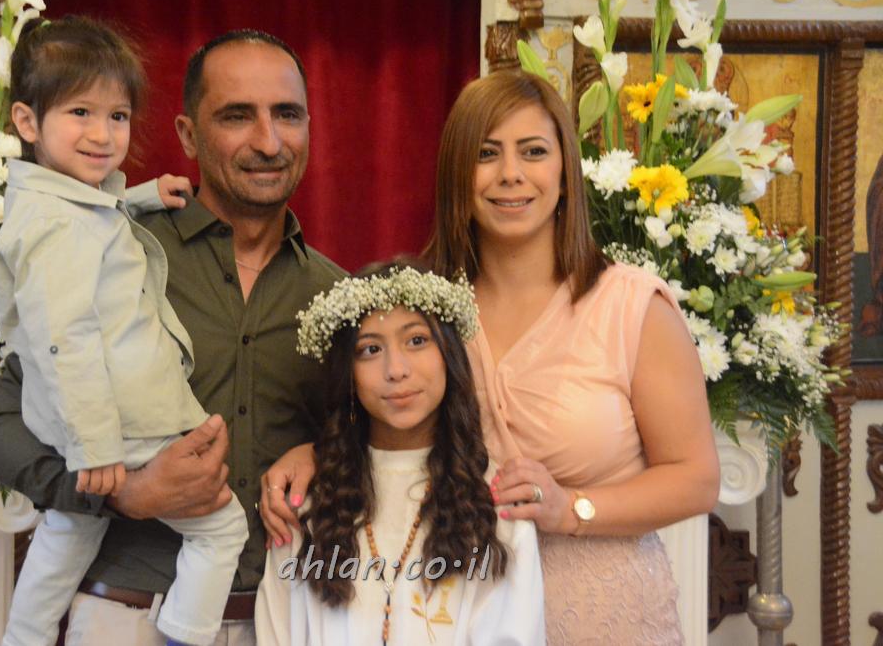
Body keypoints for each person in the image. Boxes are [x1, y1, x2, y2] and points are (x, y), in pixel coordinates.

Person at [262, 69, 720, 645]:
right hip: (453, 609)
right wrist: (315, 453)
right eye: (486, 153)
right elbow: (381, 412)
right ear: (459, 173)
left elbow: (696, 479)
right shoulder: (422, 308)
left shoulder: (631, 306)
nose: (510, 174)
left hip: (604, 615)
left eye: (533, 152)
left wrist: (572, 509)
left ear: (565, 171)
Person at [0, 29, 345, 646]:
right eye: (237, 116)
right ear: (188, 135)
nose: (268, 141)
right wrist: (121, 494)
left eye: (287, 114)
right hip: (124, 617)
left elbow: (384, 447)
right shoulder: (117, 253)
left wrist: (321, 450)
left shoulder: (338, 296)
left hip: (287, 621)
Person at [0, 16, 248, 646]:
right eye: (80, 112)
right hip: (114, 421)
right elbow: (65, 338)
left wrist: (143, 195)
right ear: (27, 122)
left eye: (118, 116)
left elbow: (95, 220)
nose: (103, 134)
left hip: (75, 421)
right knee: (223, 529)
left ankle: (23, 636)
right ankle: (186, 634)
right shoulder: (55, 228)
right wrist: (97, 445)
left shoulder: (56, 204)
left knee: (69, 529)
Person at [255, 261, 544, 645]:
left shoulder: (496, 500)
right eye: (371, 349)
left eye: (416, 341)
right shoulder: (309, 499)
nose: (396, 369)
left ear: (448, 354)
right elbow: (277, 631)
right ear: (349, 374)